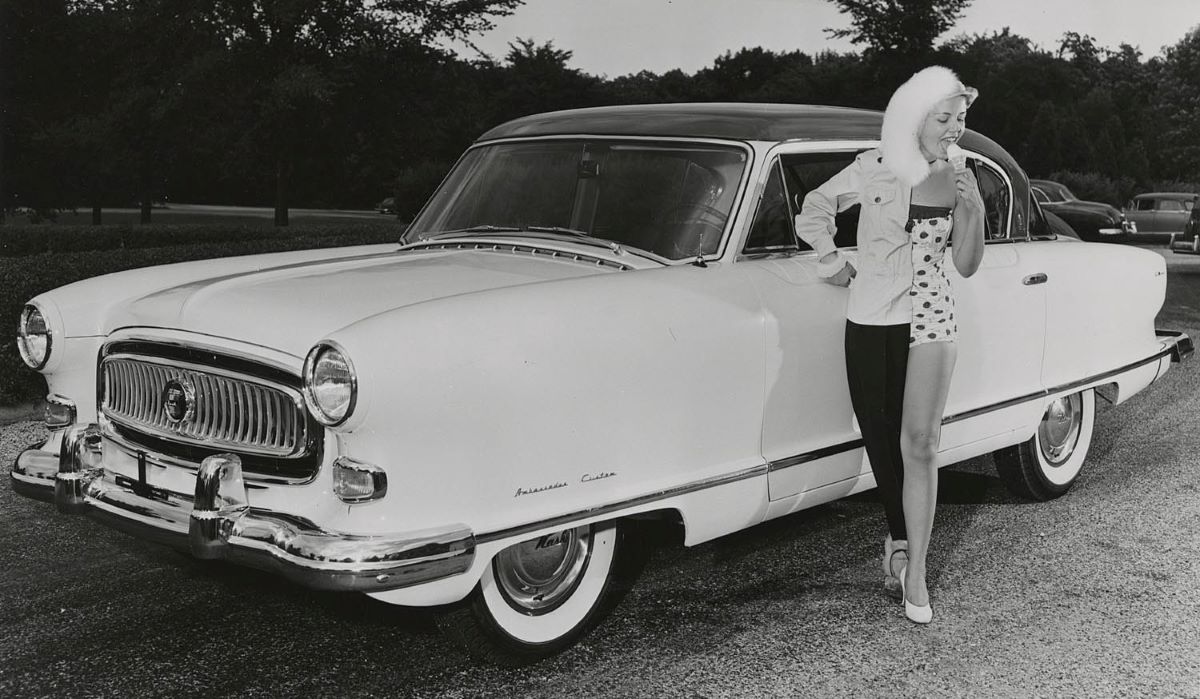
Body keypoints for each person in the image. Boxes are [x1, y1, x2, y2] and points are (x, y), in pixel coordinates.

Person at [794, 66, 985, 624]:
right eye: (944, 118)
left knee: (920, 443)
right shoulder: (873, 166)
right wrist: (831, 262)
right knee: (882, 441)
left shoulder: (962, 172)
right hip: (873, 315)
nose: (954, 129)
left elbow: (967, 264)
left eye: (960, 118)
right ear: (913, 118)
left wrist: (973, 210)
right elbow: (814, 207)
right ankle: (898, 543)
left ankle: (916, 573)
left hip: (932, 314)